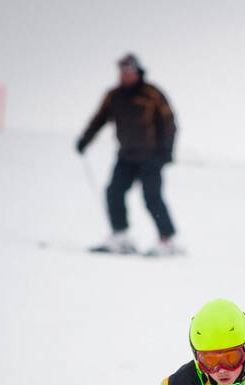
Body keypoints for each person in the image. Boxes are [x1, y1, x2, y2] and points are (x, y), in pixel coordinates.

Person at [76, 53, 179, 256]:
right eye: (122, 71)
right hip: (126, 156)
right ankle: (120, 236)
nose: (125, 75)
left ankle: (167, 240)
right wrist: (85, 140)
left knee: (152, 197)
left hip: (151, 156)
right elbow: (99, 119)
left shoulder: (152, 94)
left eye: (129, 71)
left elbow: (169, 124)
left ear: (137, 71)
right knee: (114, 192)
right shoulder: (114, 95)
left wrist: (166, 152)